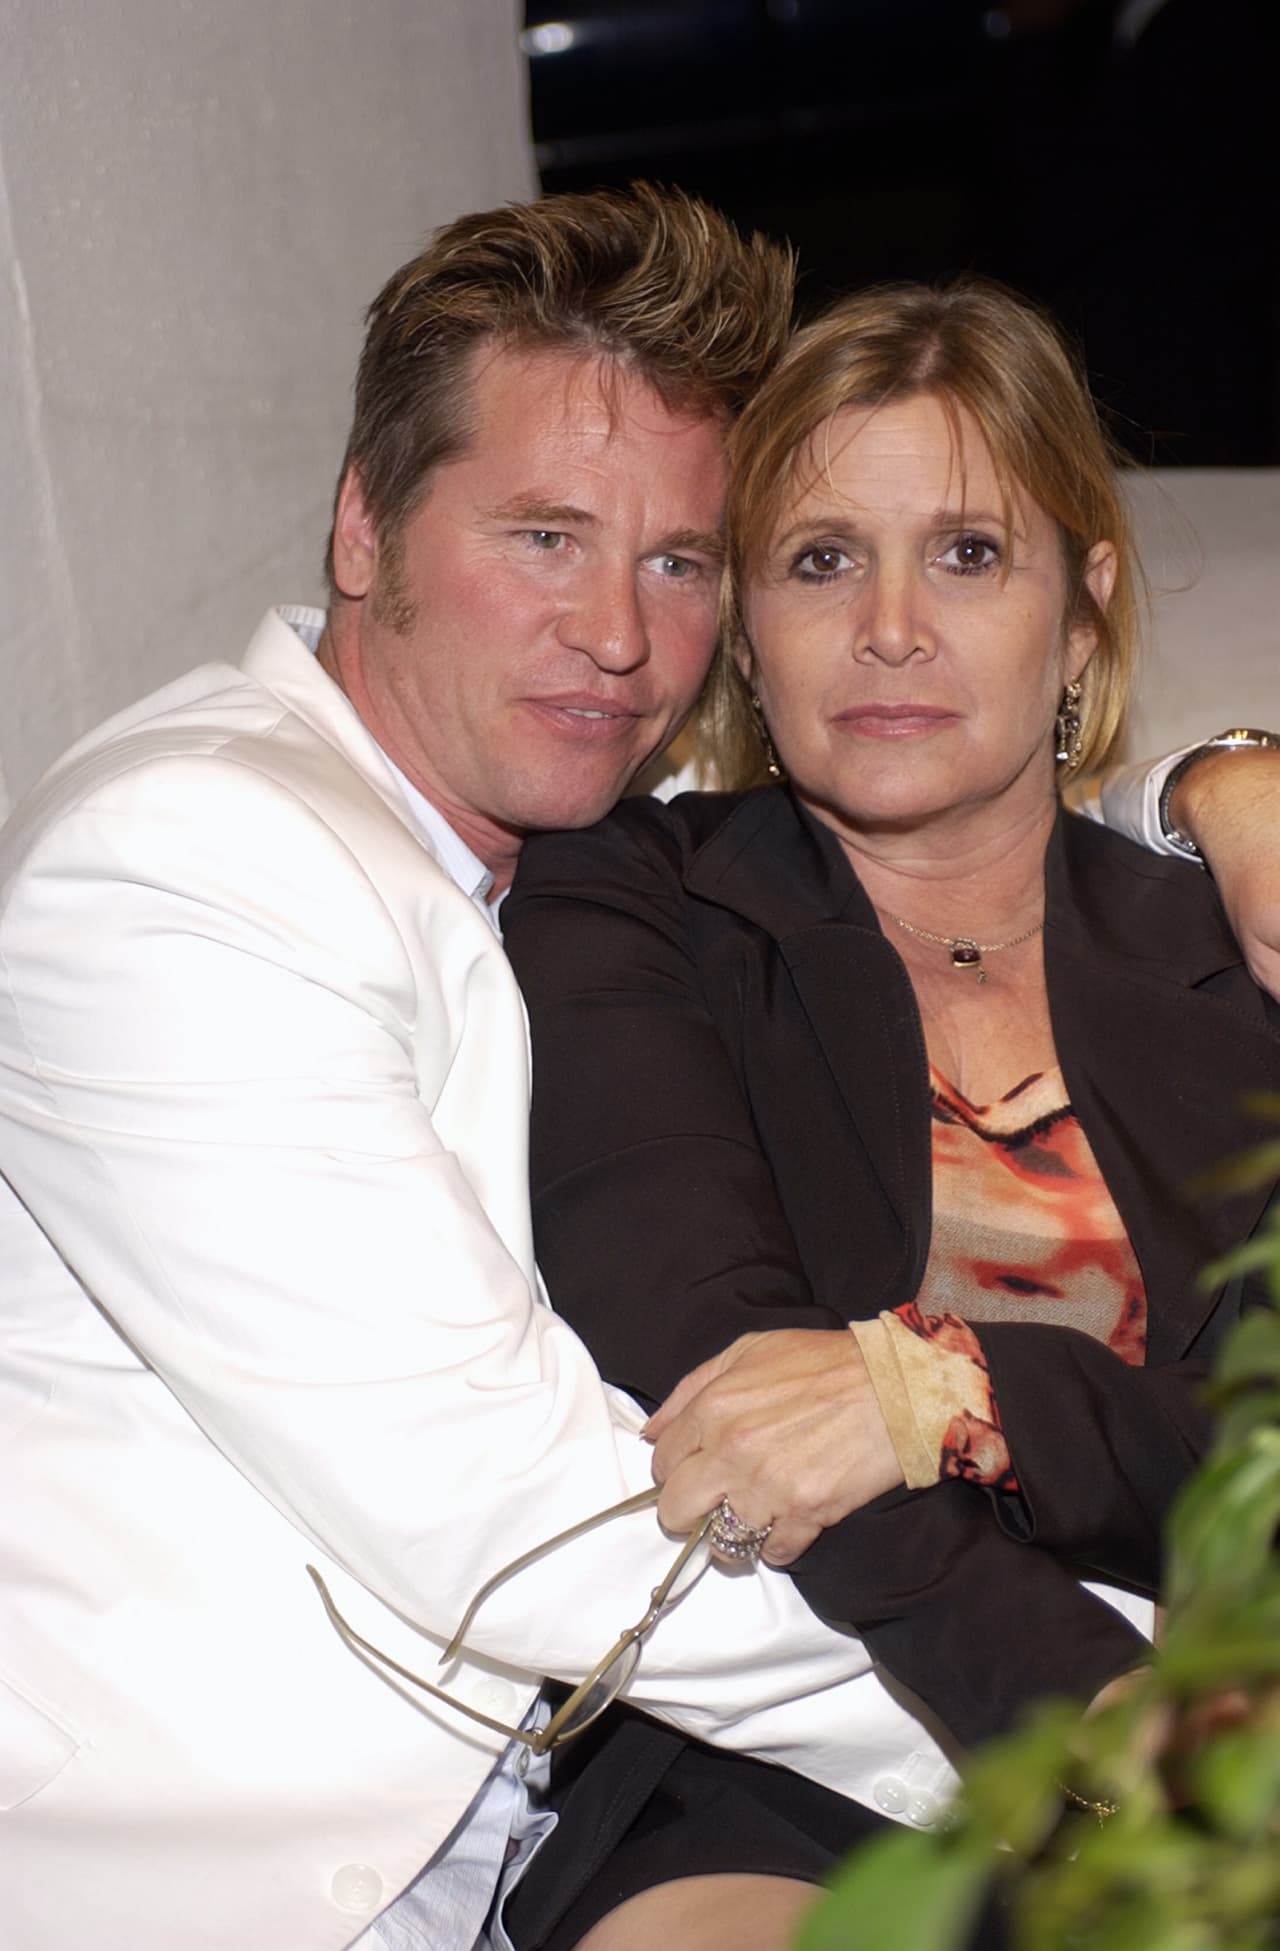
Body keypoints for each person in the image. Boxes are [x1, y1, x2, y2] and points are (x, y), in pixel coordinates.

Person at [0, 189, 1273, 1951]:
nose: (615, 632)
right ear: (363, 527)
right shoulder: (191, 868)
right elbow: (529, 1505)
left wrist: (1216, 784)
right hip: (250, 1868)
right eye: (542, 536)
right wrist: (1138, 1722)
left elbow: (968, 807)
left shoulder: (564, 817)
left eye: (676, 558)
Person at [501, 277, 1280, 1949]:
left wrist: (947, 1392)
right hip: (787, 1731)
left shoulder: (1242, 933)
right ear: (746, 626)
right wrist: (1100, 1725)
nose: (893, 628)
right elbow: (719, 1362)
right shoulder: (631, 908)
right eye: (822, 557)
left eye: (971, 554)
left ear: (1083, 616)